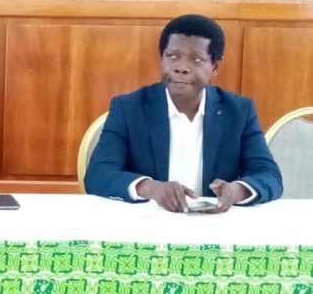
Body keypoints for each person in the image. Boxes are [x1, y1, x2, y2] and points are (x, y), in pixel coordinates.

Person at [84, 14, 282, 213]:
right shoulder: (129, 108)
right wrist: (152, 188)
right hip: (149, 221)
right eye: (172, 56)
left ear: (215, 66)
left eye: (196, 59)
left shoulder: (239, 111)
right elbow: (98, 174)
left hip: (213, 223)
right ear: (161, 58)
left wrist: (236, 191)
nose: (181, 68)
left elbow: (269, 176)